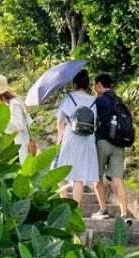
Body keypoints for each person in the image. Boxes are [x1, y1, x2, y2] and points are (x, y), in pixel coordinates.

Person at [53, 69, 103, 218]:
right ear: (87, 84)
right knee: (79, 175)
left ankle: (65, 203)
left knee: (59, 170)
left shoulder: (68, 97)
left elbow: (60, 120)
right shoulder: (94, 99)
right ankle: (75, 210)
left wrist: (59, 138)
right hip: (88, 139)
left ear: (74, 83)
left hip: (70, 136)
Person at [91, 73, 134, 223]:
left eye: (94, 85)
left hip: (103, 141)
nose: (94, 88)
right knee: (117, 180)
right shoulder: (118, 100)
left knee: (97, 177)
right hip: (119, 144)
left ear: (100, 85)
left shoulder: (99, 100)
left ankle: (103, 210)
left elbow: (93, 121)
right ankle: (124, 214)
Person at [0, 74, 33, 153]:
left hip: (18, 144)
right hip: (10, 143)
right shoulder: (7, 104)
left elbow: (19, 126)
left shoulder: (14, 104)